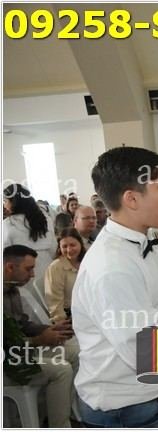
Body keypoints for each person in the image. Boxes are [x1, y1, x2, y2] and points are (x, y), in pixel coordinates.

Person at [71, 147, 158, 427]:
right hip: (130, 409)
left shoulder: (143, 242)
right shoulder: (112, 266)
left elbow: (157, 312)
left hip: (156, 397)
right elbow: (146, 355)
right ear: (132, 199)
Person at [3, 245, 76, 428]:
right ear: (9, 267)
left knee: (75, 352)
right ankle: (60, 426)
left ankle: (72, 412)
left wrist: (51, 329)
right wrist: (39, 340)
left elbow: (23, 324)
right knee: (62, 370)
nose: (33, 274)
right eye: (28, 269)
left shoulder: (12, 289)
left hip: (21, 351)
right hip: (8, 362)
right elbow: (6, 345)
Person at [3, 183, 57, 283]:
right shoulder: (45, 220)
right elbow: (54, 248)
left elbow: (5, 253)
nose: (4, 205)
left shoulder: (7, 224)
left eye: (5, 201)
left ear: (14, 202)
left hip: (22, 272)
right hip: (49, 268)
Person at [44, 228, 86, 322]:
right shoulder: (55, 268)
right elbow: (54, 302)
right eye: (64, 246)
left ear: (80, 244)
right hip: (70, 315)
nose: (69, 250)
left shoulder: (87, 261)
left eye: (72, 245)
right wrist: (62, 323)